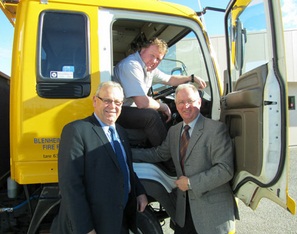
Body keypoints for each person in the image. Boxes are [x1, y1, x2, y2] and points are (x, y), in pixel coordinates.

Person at [132, 83, 238, 234]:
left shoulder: (216, 129)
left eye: (190, 101)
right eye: (181, 102)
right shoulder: (175, 131)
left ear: (199, 102)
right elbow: (159, 154)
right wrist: (127, 152)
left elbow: (225, 170)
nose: (186, 106)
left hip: (212, 215)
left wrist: (190, 183)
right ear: (176, 105)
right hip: (184, 215)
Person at [50, 81, 148, 234]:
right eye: (107, 100)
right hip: (95, 223)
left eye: (117, 102)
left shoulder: (120, 132)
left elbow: (126, 168)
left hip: (119, 219)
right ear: (95, 101)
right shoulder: (76, 130)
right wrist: (85, 229)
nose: (112, 106)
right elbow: (70, 186)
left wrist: (139, 192)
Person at [113, 37, 207, 147]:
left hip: (129, 109)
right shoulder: (131, 65)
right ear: (143, 50)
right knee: (151, 116)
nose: (154, 61)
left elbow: (170, 79)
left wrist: (191, 78)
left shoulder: (149, 69)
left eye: (158, 59)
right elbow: (142, 102)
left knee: (159, 114)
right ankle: (169, 158)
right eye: (152, 55)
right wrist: (162, 106)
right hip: (116, 111)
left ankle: (170, 148)